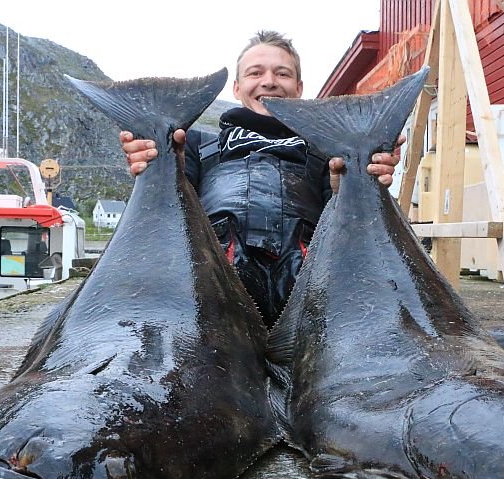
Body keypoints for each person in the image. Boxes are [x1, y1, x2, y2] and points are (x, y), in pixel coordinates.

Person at [120, 31, 402, 326]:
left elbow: (352, 239)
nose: (269, 81)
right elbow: (168, 227)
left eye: (282, 73)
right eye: (256, 73)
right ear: (237, 87)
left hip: (309, 312)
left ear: (299, 88)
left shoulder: (328, 154)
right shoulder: (192, 144)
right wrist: (159, 165)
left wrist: (354, 179)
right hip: (211, 309)